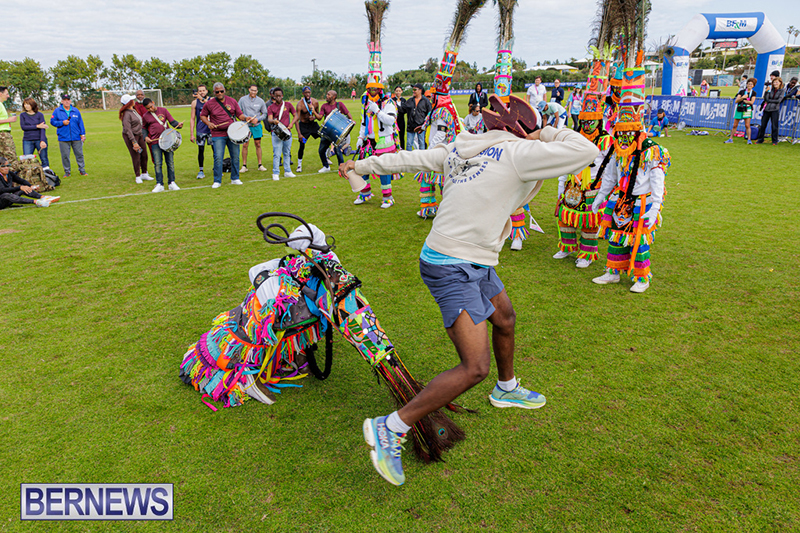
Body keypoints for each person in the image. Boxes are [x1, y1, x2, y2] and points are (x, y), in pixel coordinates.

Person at [339, 95, 598, 486]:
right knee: (474, 366)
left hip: (476, 259)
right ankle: (391, 427)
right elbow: (587, 150)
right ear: (521, 130)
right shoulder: (519, 152)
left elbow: (412, 157)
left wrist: (360, 164)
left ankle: (507, 389)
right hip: (451, 265)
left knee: (505, 317)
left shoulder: (464, 145)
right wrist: (544, 131)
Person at [591, 67, 670, 294]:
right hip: (620, 199)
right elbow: (610, 177)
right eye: (620, 133)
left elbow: (658, 182)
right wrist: (601, 196)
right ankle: (613, 272)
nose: (623, 138)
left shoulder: (651, 151)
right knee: (616, 237)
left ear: (636, 131)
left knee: (639, 240)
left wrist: (655, 208)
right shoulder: (618, 150)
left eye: (628, 134)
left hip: (640, 203)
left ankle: (642, 277)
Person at [553, 51, 614, 269]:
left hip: (593, 185)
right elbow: (566, 160)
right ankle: (566, 247)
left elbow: (610, 168)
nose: (587, 126)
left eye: (592, 122)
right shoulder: (575, 136)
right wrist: (561, 184)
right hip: (573, 181)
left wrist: (606, 190)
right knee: (565, 217)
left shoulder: (606, 140)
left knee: (590, 221)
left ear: (598, 121)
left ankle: (587, 254)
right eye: (585, 121)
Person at [354, 80, 400, 208]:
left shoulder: (388, 103)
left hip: (384, 140)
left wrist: (378, 111)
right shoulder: (366, 104)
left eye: (375, 89)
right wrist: (360, 137)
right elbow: (364, 123)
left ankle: (387, 197)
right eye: (370, 89)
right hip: (368, 141)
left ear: (380, 90)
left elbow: (390, 120)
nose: (372, 91)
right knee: (362, 166)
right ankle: (365, 193)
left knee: (383, 169)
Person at [200, 82, 255, 188]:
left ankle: (235, 178)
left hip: (233, 133)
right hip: (217, 134)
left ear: (224, 90)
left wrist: (245, 118)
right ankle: (217, 180)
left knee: (235, 156)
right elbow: (203, 116)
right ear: (214, 92)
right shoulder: (209, 103)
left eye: (221, 91)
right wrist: (208, 123)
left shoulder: (232, 101)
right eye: (217, 92)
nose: (219, 93)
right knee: (218, 157)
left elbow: (239, 114)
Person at [141, 98, 184, 192]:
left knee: (170, 162)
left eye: (151, 107)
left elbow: (172, 121)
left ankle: (171, 182)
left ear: (153, 102)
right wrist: (145, 137)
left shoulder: (163, 110)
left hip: (167, 141)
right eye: (148, 108)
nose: (151, 109)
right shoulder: (145, 116)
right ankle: (159, 184)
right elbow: (143, 128)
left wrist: (178, 124)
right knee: (157, 163)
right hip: (155, 142)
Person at [50, 94, 87, 177]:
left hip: (76, 137)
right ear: (62, 101)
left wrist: (82, 134)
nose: (66, 101)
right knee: (65, 156)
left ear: (70, 101)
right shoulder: (57, 111)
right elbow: (52, 122)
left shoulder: (75, 110)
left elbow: (80, 123)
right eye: (64, 100)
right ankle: (67, 171)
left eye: (68, 100)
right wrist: (62, 123)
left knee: (79, 154)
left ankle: (82, 170)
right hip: (63, 137)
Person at [119, 94, 154, 184]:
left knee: (144, 154)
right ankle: (138, 176)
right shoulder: (127, 114)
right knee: (136, 156)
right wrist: (133, 142)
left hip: (140, 135)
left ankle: (144, 173)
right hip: (131, 137)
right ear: (129, 103)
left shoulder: (133, 110)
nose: (134, 101)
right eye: (132, 100)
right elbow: (127, 129)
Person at [318, 90, 353, 173]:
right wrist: (314, 111)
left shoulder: (339, 105)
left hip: (337, 132)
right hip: (327, 132)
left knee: (338, 150)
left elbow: (348, 114)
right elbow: (320, 117)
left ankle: (342, 168)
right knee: (321, 150)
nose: (326, 96)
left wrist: (351, 122)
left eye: (328, 94)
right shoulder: (324, 106)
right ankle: (326, 166)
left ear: (333, 97)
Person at [267, 87, 297, 181]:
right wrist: (274, 121)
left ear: (282, 96)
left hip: (287, 132)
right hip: (276, 133)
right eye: (276, 96)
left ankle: (287, 171)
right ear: (273, 96)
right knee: (277, 153)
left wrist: (291, 124)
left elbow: (296, 115)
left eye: (280, 96)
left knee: (287, 152)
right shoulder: (271, 107)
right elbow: (269, 119)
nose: (278, 98)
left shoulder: (288, 105)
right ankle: (276, 172)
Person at [238, 85, 269, 173]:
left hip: (256, 126)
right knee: (245, 145)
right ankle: (244, 165)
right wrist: (245, 118)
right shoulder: (242, 100)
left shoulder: (261, 101)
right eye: (252, 90)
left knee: (258, 144)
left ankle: (260, 164)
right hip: (246, 126)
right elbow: (238, 111)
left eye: (255, 91)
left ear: (257, 91)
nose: (253, 92)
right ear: (249, 90)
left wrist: (257, 119)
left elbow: (264, 113)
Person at [294, 86, 324, 173]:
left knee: (324, 137)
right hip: (303, 126)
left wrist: (314, 117)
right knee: (302, 145)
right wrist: (299, 134)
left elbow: (318, 115)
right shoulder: (300, 104)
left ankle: (326, 157)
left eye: (309, 92)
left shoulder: (315, 102)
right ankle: (299, 165)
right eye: (306, 92)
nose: (307, 94)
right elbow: (296, 119)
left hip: (313, 125)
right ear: (303, 93)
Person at [19, 98, 50, 169]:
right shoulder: (22, 115)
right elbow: (24, 127)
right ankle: (29, 177)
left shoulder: (40, 115)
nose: (26, 106)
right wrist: (37, 126)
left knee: (44, 159)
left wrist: (42, 141)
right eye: (25, 104)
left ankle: (46, 175)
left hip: (39, 139)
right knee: (27, 160)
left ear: (32, 105)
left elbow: (43, 128)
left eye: (28, 104)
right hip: (27, 140)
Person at [724, 78, 757, 145]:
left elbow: (752, 102)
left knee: (747, 125)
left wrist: (746, 101)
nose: (749, 85)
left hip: (747, 109)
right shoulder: (742, 91)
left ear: (753, 85)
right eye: (749, 84)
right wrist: (742, 98)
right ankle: (731, 138)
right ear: (747, 84)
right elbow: (736, 100)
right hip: (740, 108)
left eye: (751, 84)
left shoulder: (753, 93)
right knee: (735, 125)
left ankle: (749, 139)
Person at [755, 77, 785, 146]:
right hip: (767, 109)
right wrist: (766, 92)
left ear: (780, 83)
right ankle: (760, 139)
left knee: (774, 126)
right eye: (774, 82)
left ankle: (774, 140)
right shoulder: (770, 90)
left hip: (775, 110)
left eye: (776, 82)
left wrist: (769, 101)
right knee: (763, 125)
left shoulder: (782, 90)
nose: (775, 83)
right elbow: (765, 98)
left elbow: (778, 100)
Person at [190, 85, 211, 179]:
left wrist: (202, 99)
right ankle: (201, 170)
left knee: (216, 150)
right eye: (199, 91)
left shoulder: (212, 100)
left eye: (203, 90)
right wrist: (191, 134)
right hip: (201, 130)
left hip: (211, 128)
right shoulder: (195, 103)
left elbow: (211, 106)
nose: (201, 92)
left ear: (206, 91)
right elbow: (192, 118)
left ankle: (217, 168)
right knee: (201, 150)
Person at [402, 84, 431, 151]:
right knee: (409, 144)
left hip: (421, 126)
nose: (413, 91)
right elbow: (403, 109)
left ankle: (422, 158)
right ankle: (408, 159)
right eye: (413, 89)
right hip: (410, 126)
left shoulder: (425, 101)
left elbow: (429, 113)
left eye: (415, 89)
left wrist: (425, 124)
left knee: (421, 143)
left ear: (420, 90)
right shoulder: (409, 100)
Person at [0, 86, 20, 172]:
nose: (8, 96)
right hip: (3, 134)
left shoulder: (1, 104)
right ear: (0, 94)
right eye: (6, 94)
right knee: (11, 158)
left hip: (3, 133)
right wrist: (9, 120)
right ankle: (13, 181)